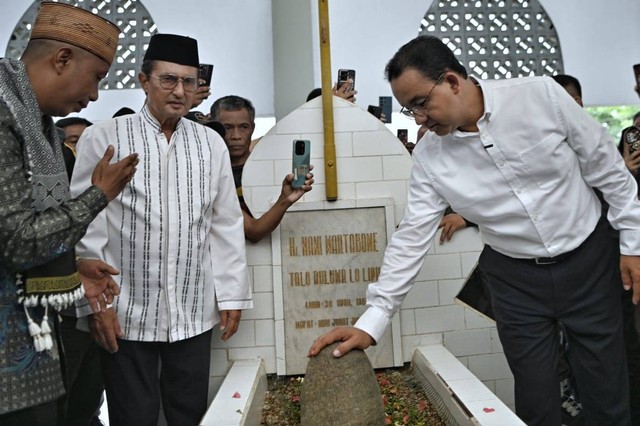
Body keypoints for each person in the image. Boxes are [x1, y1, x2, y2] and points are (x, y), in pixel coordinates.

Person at [309, 35, 640, 426]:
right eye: (408, 108)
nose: (418, 119)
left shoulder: (540, 97)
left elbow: (609, 171)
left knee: (606, 389)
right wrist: (373, 321)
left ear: (452, 81)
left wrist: (632, 245)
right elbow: (412, 234)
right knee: (536, 397)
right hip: (515, 279)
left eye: (420, 103)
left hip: (589, 259)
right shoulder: (431, 157)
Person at [69, 33, 252, 425]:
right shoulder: (105, 137)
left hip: (192, 308)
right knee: (133, 415)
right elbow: (87, 226)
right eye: (168, 79)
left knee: (189, 414)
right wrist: (96, 307)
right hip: (126, 312)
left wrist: (232, 293)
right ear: (143, 81)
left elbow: (224, 223)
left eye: (189, 82)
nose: (180, 91)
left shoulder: (211, 144)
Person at [0, 2, 139, 425]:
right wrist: (98, 196)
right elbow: (18, 241)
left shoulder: (35, 121)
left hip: (31, 341)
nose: (96, 94)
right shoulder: (4, 113)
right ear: (62, 59)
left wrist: (69, 269)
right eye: (96, 77)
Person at [210, 95, 314, 243]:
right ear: (217, 129)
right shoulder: (211, 174)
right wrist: (284, 200)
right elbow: (254, 231)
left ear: (253, 128)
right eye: (228, 128)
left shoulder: (268, 168)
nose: (236, 136)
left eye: (243, 127)